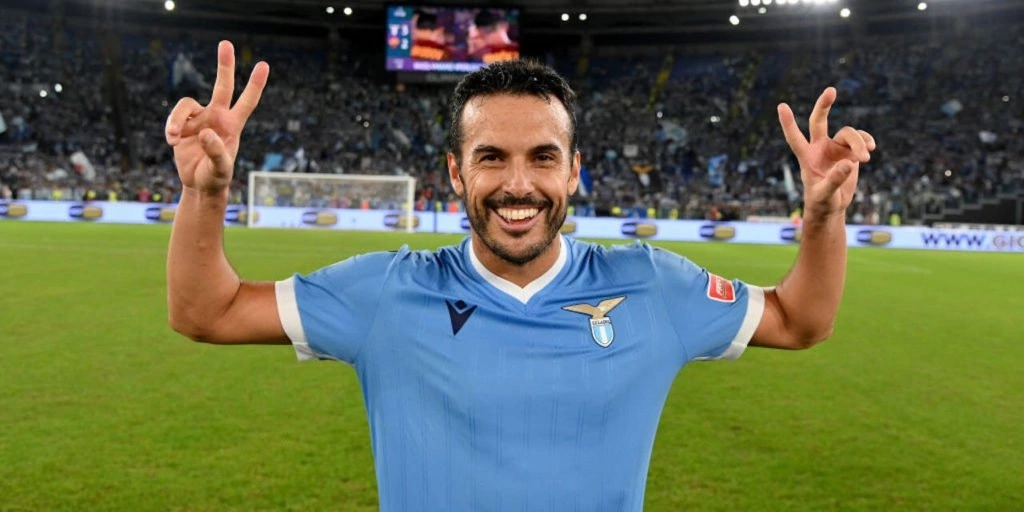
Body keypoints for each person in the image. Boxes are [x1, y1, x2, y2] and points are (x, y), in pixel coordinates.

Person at [165, 41, 875, 511]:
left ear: (573, 170)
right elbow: (207, 312)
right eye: (491, 157)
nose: (517, 185)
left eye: (542, 157)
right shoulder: (385, 294)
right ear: (455, 172)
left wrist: (823, 216)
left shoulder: (652, 286)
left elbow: (800, 321)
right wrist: (203, 191)